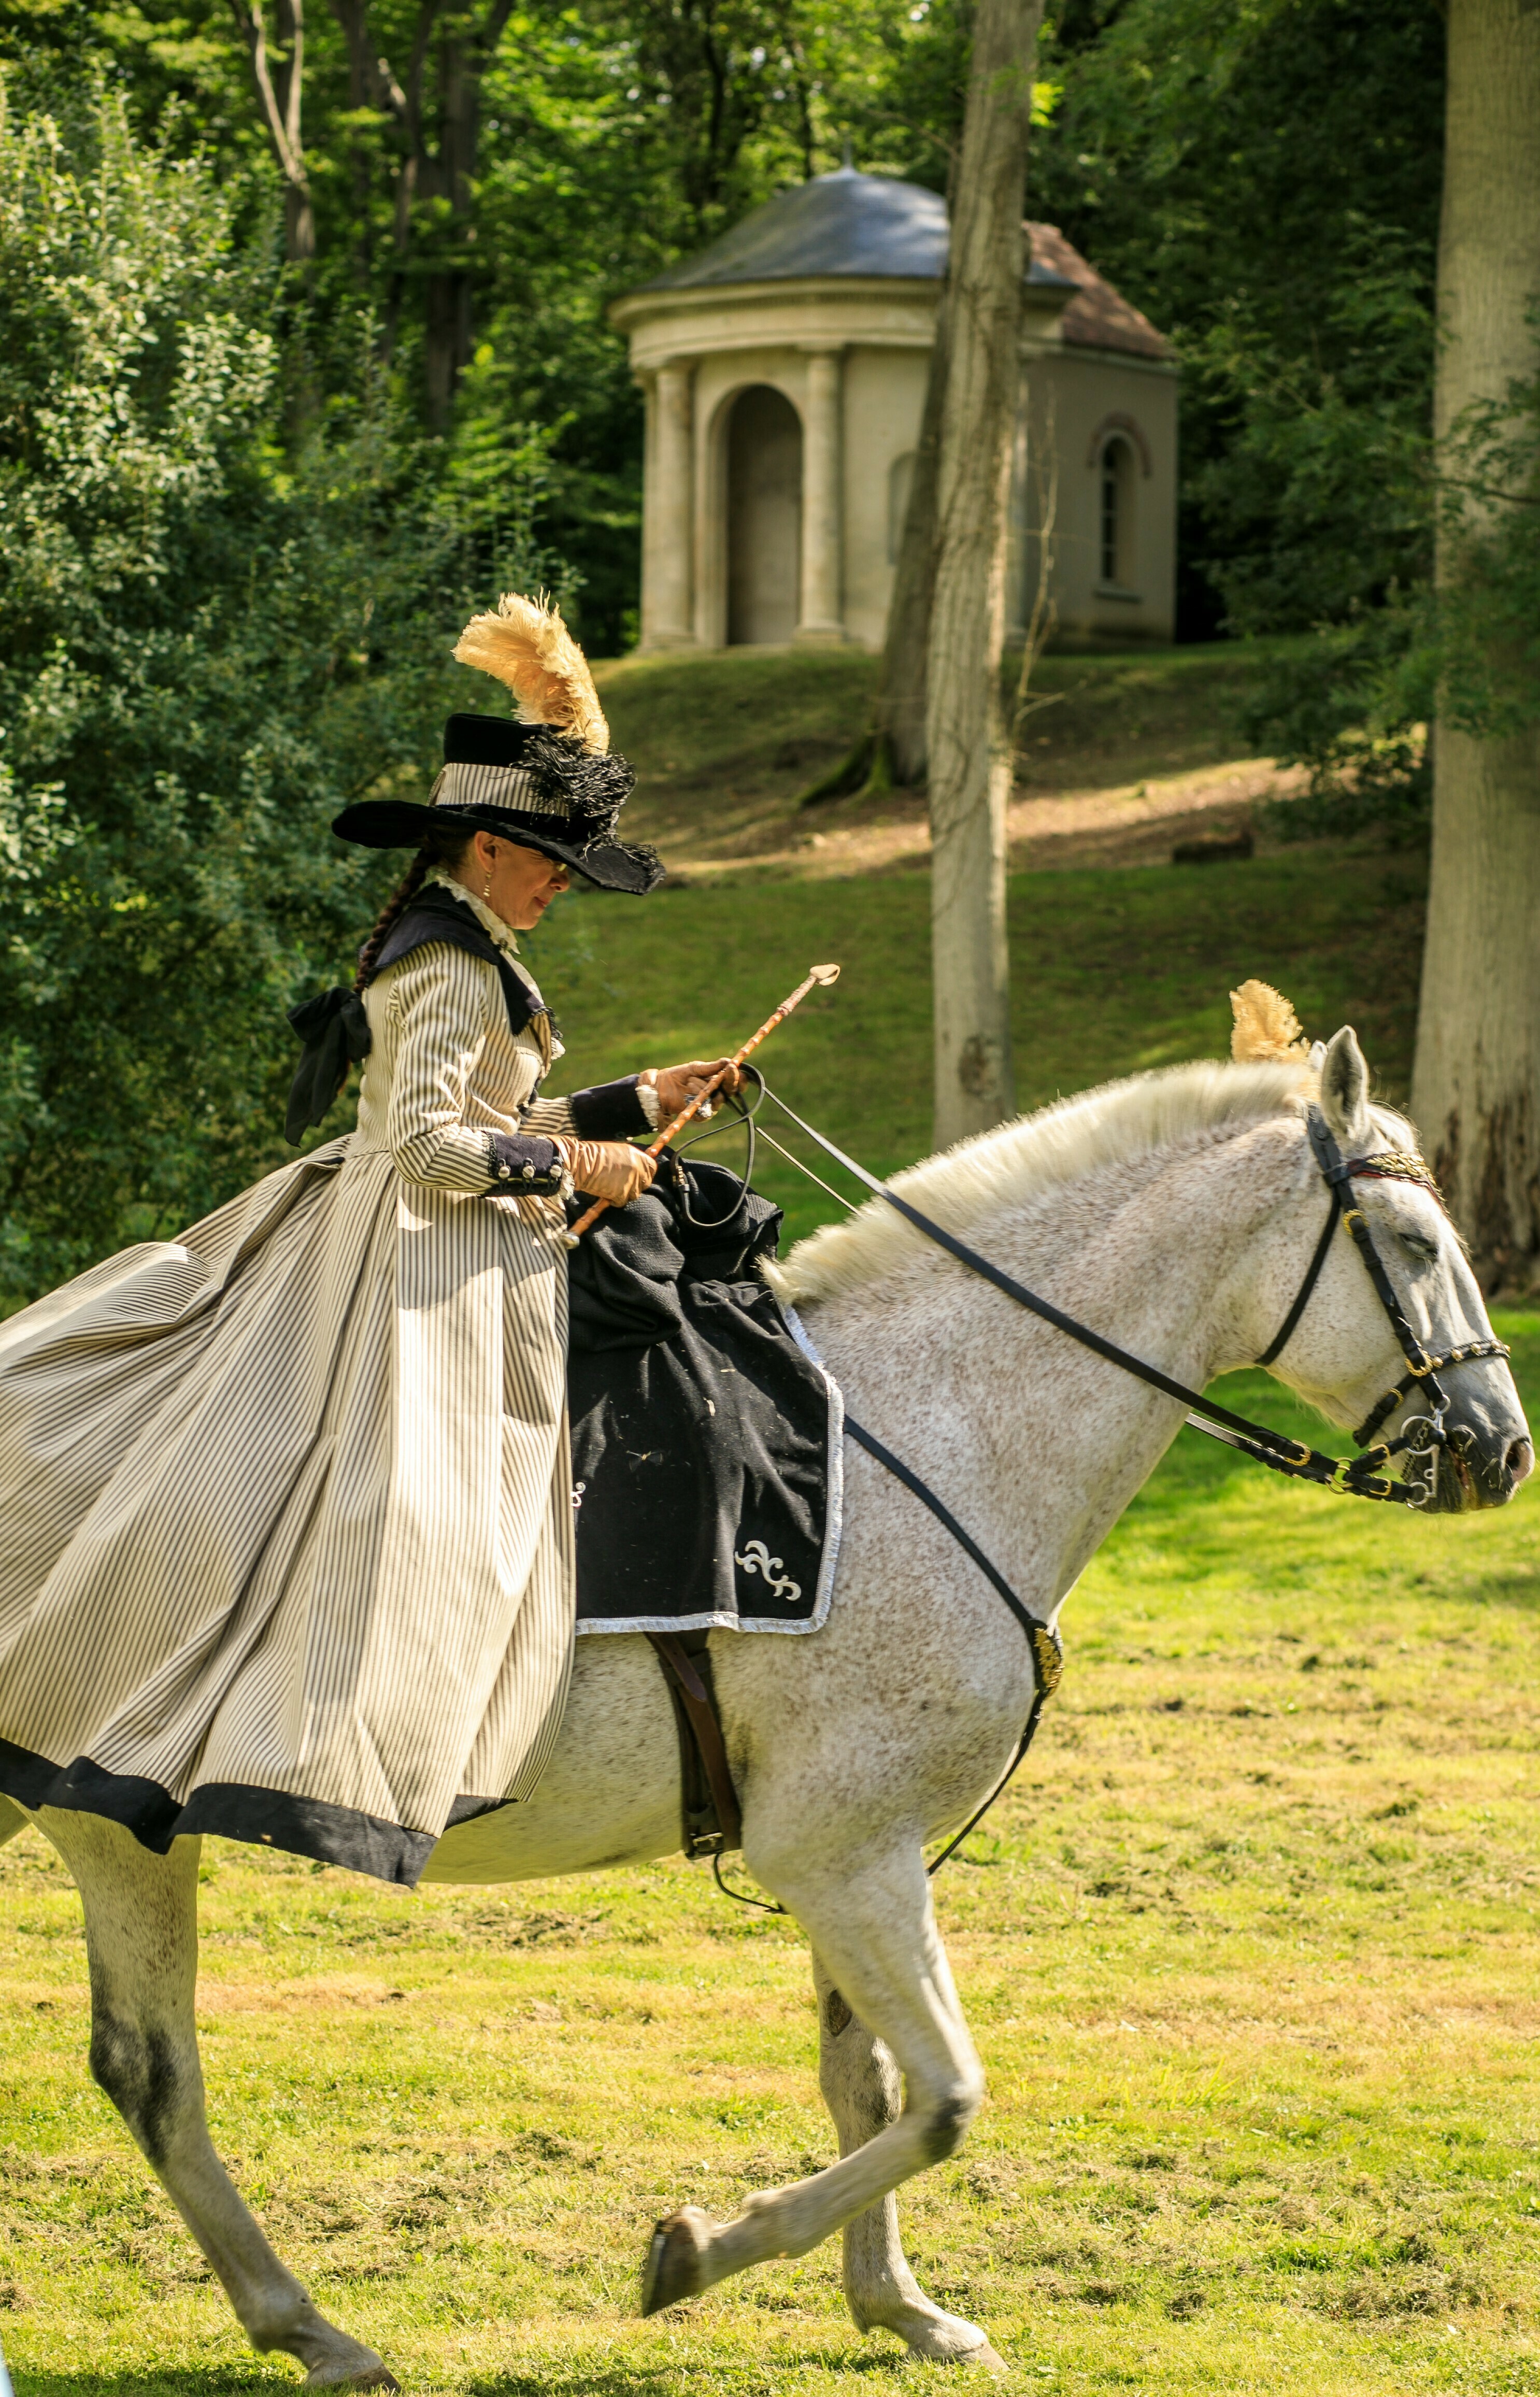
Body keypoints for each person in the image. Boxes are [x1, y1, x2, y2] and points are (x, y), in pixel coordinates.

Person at [0, 594, 737, 1886]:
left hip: (443, 1246)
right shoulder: (445, 963)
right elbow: (433, 1153)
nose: (563, 879)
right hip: (409, 1261)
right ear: (486, 845)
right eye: (550, 856)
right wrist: (582, 1162)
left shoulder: (479, 952)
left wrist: (641, 1101)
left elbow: (480, 1116)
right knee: (398, 1512)